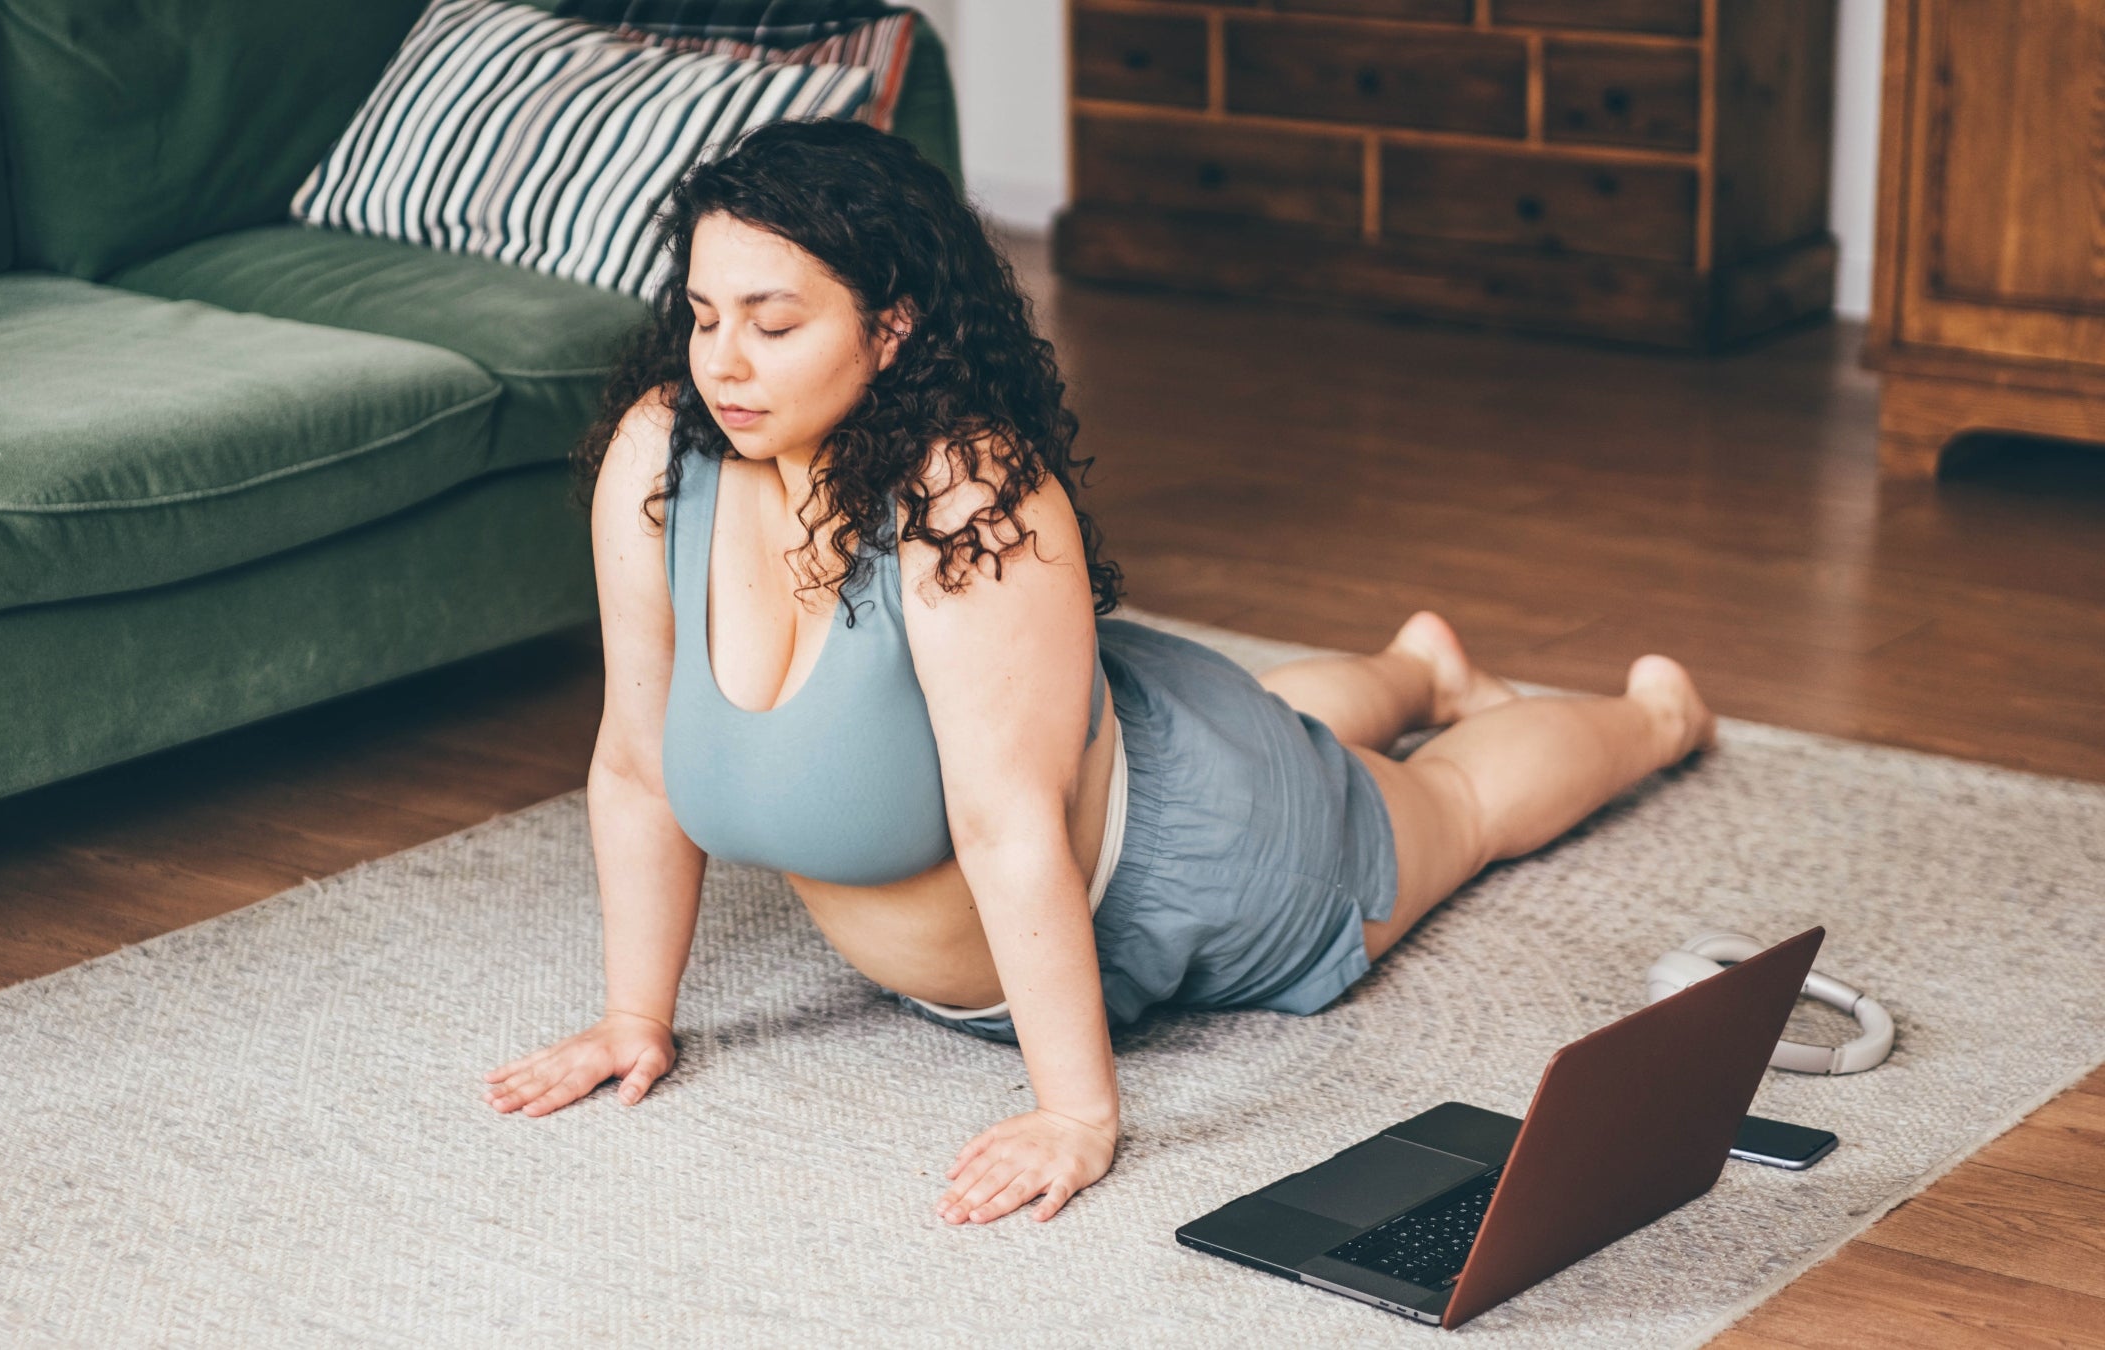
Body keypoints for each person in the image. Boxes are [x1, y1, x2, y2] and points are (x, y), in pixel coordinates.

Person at [480, 118, 1716, 1229]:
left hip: (1194, 852)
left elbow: (1011, 822)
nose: (723, 363)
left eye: (775, 321)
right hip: (1093, 746)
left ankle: (1655, 715)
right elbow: (638, 767)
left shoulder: (963, 491)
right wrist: (633, 1017)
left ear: (891, 326)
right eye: (703, 316)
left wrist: (1076, 1113)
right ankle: (1414, 663)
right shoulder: (662, 457)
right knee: (1275, 722)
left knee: (1451, 811)